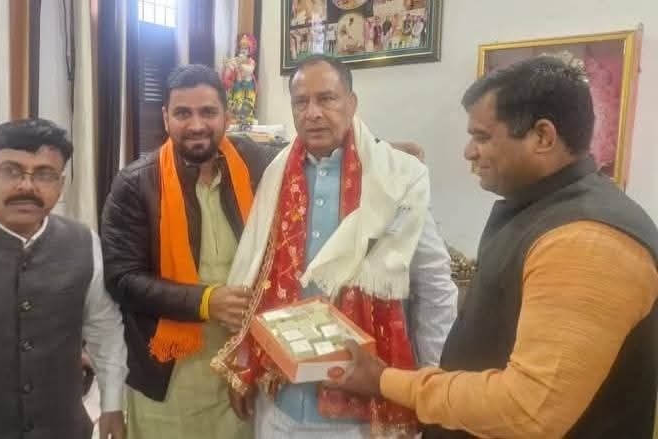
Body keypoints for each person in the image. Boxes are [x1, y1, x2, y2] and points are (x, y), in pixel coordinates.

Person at [327, 56, 658, 439]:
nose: (469, 152)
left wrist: (387, 381)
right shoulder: (543, 209)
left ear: (543, 137)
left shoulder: (588, 241)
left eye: (482, 137)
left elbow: (528, 409)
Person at [212, 54, 458, 438]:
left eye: (326, 99)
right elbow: (254, 276)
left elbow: (435, 289)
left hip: (363, 410)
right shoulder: (275, 173)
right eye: (301, 102)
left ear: (351, 103)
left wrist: (429, 386)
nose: (312, 113)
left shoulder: (395, 179)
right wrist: (244, 364)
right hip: (281, 399)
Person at [100, 65, 278, 438]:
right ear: (166, 118)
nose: (197, 125)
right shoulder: (135, 183)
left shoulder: (255, 165)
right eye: (183, 113)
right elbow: (122, 280)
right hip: (171, 373)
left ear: (227, 116)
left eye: (208, 112)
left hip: (243, 363)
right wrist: (206, 302)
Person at [0, 118, 128, 439]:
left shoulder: (84, 243)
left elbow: (105, 330)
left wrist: (112, 405)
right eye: (11, 170)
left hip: (62, 428)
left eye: (44, 174)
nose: (26, 186)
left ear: (61, 184)